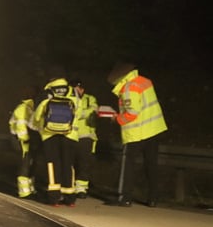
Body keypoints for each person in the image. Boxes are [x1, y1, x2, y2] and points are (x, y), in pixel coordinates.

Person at [106, 63, 168, 206]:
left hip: (136, 133)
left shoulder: (128, 88)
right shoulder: (144, 81)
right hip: (154, 129)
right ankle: (153, 199)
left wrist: (117, 119)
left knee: (128, 166)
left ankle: (125, 198)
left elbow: (132, 112)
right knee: (151, 165)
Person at [31, 77, 80, 206]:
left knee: (53, 164)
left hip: (49, 134)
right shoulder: (73, 93)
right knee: (68, 165)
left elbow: (37, 116)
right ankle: (70, 198)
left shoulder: (47, 93)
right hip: (70, 134)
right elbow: (79, 114)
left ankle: (54, 197)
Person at [8, 86, 39, 198]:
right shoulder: (23, 108)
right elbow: (20, 126)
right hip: (21, 140)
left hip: (25, 140)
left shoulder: (29, 108)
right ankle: (24, 192)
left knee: (30, 164)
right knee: (25, 164)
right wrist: (25, 139)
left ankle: (30, 189)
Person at [70, 79, 98, 198]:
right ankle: (69, 187)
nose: (79, 90)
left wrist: (79, 113)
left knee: (84, 164)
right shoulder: (69, 98)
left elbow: (93, 110)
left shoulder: (90, 98)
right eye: (76, 87)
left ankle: (81, 189)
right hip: (71, 135)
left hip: (86, 136)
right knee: (70, 163)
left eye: (80, 88)